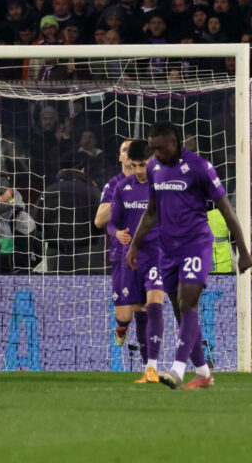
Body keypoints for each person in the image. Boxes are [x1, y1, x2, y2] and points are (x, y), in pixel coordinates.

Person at [127, 121, 252, 389]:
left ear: (175, 142)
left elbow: (226, 209)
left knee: (187, 304)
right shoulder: (154, 169)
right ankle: (204, 373)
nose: (156, 154)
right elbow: (152, 212)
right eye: (153, 149)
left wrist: (243, 250)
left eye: (160, 148)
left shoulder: (199, 167)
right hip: (167, 250)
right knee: (179, 309)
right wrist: (134, 244)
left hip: (196, 244)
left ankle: (177, 369)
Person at [107, 140, 164, 384]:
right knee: (128, 315)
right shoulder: (122, 187)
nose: (140, 170)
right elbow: (111, 223)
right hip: (129, 258)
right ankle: (121, 326)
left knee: (152, 307)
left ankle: (150, 368)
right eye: (135, 165)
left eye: (144, 164)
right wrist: (116, 234)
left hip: (157, 256)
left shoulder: (163, 187)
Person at [94, 139, 133, 343]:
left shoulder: (152, 181)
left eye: (132, 150)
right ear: (119, 157)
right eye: (124, 150)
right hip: (121, 252)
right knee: (124, 314)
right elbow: (99, 221)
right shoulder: (113, 184)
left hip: (149, 251)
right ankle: (122, 326)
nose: (128, 153)